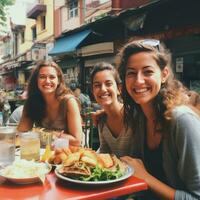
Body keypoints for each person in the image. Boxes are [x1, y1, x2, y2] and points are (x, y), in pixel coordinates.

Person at [118, 39, 200, 200]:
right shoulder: (140, 117)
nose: (138, 80)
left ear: (164, 75)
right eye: (131, 73)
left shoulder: (182, 120)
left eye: (147, 72)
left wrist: (146, 178)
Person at [18, 60, 83, 146]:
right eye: (42, 77)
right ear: (36, 80)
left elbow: (76, 141)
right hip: (44, 154)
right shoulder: (32, 102)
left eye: (52, 77)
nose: (47, 81)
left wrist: (44, 133)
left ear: (58, 80)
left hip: (68, 154)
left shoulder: (69, 102)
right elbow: (22, 133)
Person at [91, 62, 134, 157]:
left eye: (108, 84)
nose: (103, 89)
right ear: (93, 91)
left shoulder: (133, 115)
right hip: (116, 170)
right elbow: (104, 152)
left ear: (119, 89)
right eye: (97, 85)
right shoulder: (101, 120)